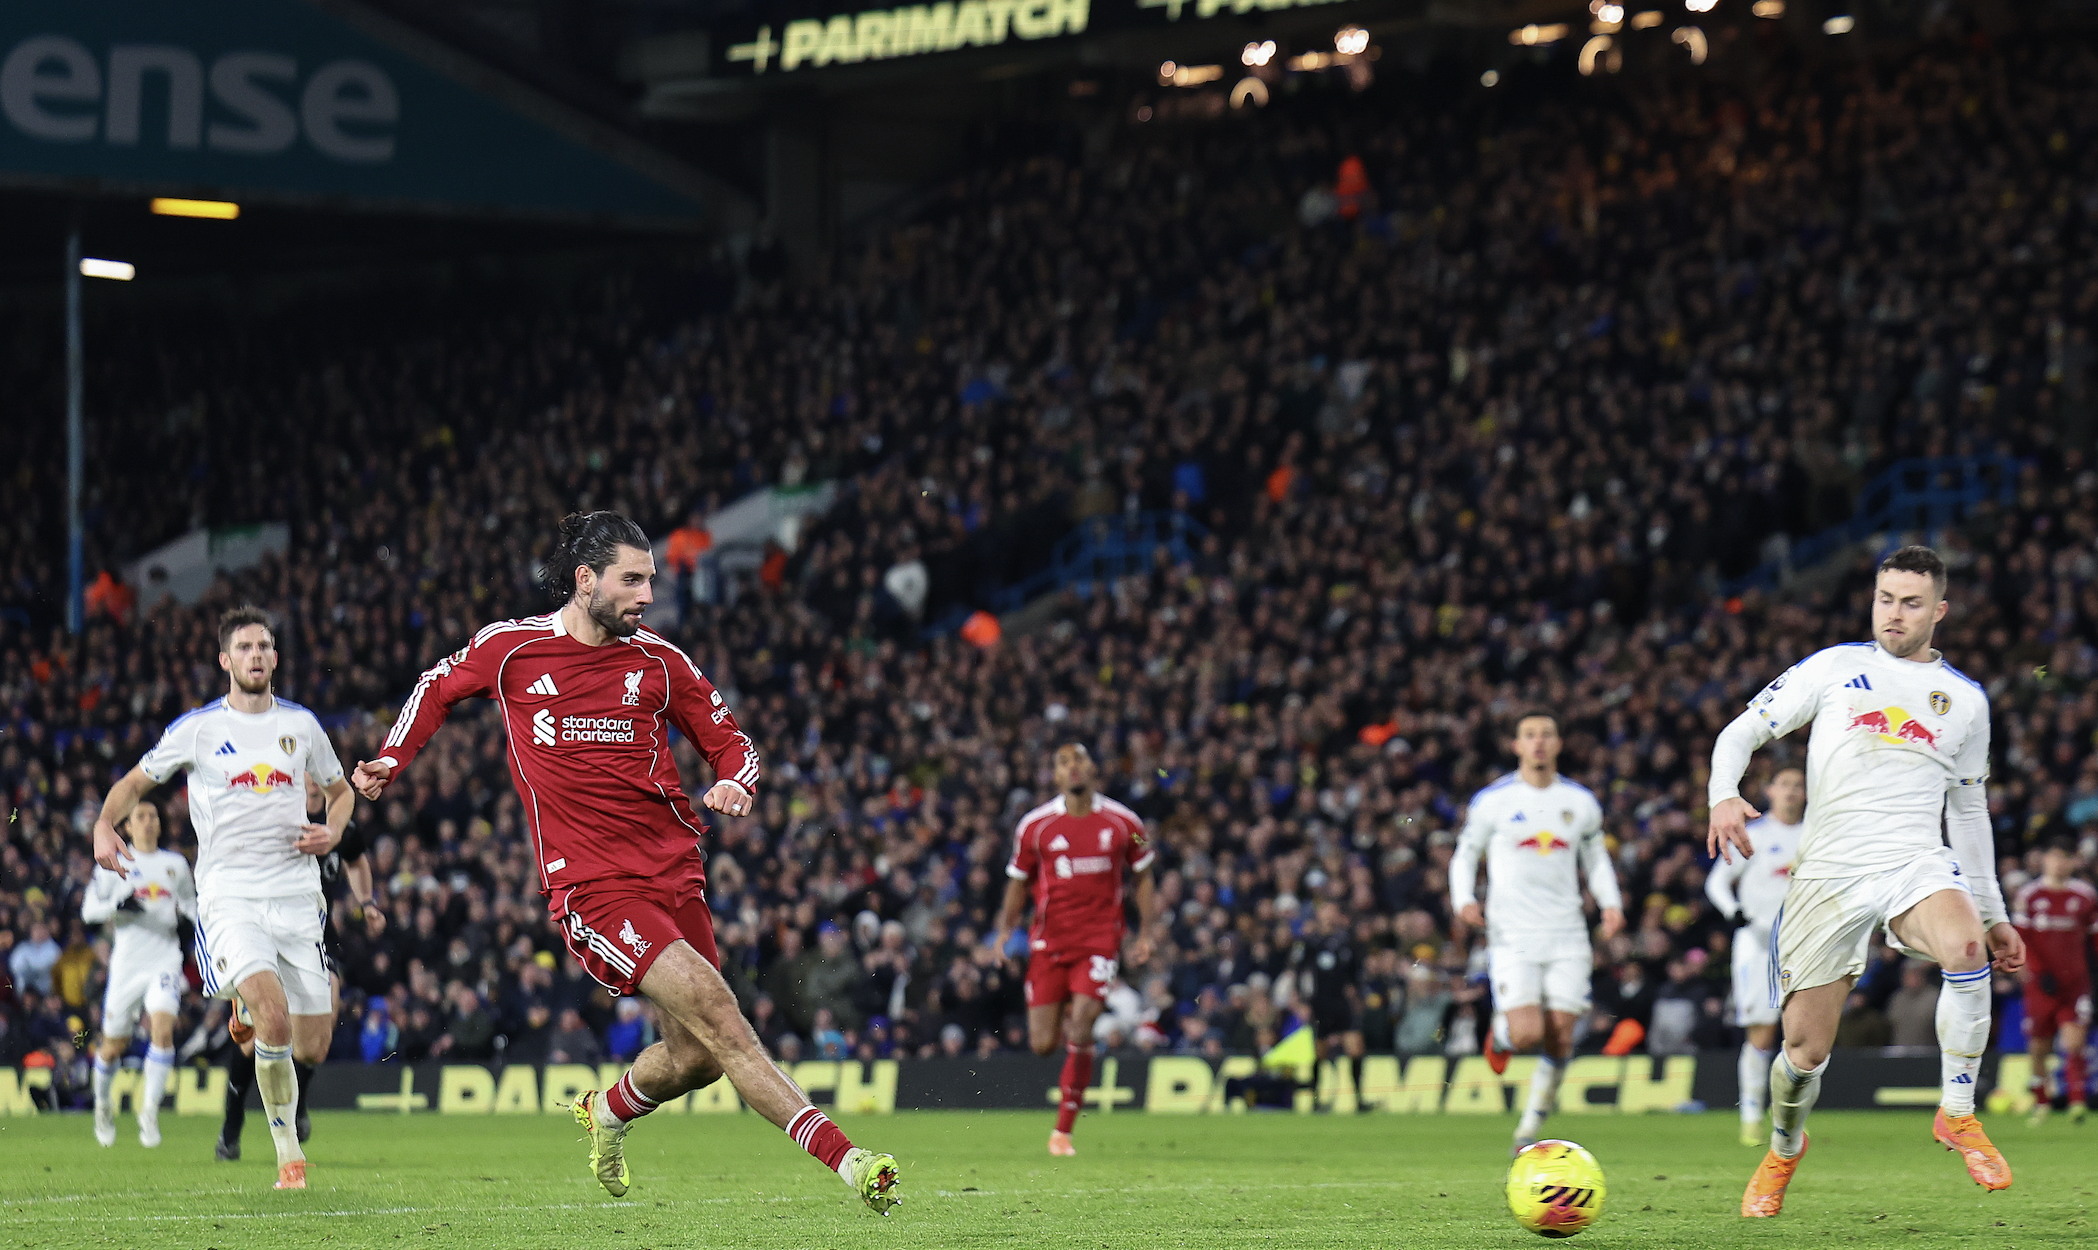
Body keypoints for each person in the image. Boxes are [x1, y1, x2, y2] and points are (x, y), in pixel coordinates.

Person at [350, 511, 899, 1214]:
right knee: (720, 1014)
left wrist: (737, 780)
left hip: (676, 873)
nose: (647, 595)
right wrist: (394, 756)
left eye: (651, 580)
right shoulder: (515, 649)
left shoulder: (661, 663)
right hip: (593, 886)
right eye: (631, 580)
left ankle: (608, 1109)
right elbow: (436, 686)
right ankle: (850, 1162)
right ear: (585, 580)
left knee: (699, 1054)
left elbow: (734, 743)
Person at [1709, 546, 2025, 1217]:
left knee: (1968, 952)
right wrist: (1722, 793)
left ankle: (1958, 1112)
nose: (1895, 613)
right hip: (1828, 873)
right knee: (1803, 1048)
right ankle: (1784, 1148)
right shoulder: (1834, 668)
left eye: (1911, 602)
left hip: (1914, 860)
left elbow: (1968, 812)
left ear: (1938, 611)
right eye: (1886, 598)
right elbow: (1741, 732)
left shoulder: (1966, 702)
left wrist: (1993, 911)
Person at [90, 605, 355, 1191]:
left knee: (313, 1044)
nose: (256, 655)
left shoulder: (303, 726)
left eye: (264, 645)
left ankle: (244, 1004)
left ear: (275, 657)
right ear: (225, 660)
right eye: (245, 648)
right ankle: (289, 1157)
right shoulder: (200, 729)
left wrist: (333, 830)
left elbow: (340, 793)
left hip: (295, 892)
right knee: (275, 1018)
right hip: (230, 893)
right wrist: (103, 825)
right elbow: (136, 782)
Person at [1450, 709, 1624, 1154]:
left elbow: (1596, 859)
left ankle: (1528, 1129)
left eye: (1547, 734)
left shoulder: (1580, 801)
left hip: (1567, 932)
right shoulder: (1493, 800)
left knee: (1561, 1034)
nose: (1539, 742)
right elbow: (1466, 853)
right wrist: (1463, 898)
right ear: (1516, 746)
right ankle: (1502, 1035)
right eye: (1530, 735)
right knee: (1528, 1034)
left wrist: (1610, 903)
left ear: (1559, 743)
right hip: (1513, 934)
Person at [992, 742, 1157, 1156]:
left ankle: (1062, 1131)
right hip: (1050, 942)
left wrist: (1147, 932)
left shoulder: (1126, 823)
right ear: (1056, 776)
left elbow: (1144, 875)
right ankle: (1068, 1006)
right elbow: (1017, 882)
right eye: (1063, 762)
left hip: (1100, 940)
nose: (1073, 768)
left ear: (1092, 768)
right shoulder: (1035, 826)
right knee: (1043, 1044)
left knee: (1082, 1024)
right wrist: (1002, 934)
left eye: (1079, 759)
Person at [79, 799, 196, 1147]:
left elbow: (192, 906)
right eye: (140, 817)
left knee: (162, 1030)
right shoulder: (115, 863)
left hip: (165, 959)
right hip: (128, 964)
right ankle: (102, 1104)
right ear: (127, 827)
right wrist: (118, 905)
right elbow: (88, 911)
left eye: (153, 815)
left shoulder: (175, 865)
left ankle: (149, 1112)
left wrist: (195, 922)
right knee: (112, 1045)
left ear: (160, 824)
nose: (147, 821)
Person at [1704, 764, 1804, 1145]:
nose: (1792, 792)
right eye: (1785, 784)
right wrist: (1737, 915)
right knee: (1761, 1033)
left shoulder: (1817, 837)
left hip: (1804, 942)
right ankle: (1750, 1114)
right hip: (1758, 944)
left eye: (1798, 785)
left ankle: (1789, 1116)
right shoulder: (1756, 836)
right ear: (1770, 790)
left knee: (1801, 1033)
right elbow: (1717, 882)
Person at [2010, 838, 2095, 1123]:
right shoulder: (2030, 895)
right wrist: (2036, 971)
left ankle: (2077, 1103)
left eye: (2065, 858)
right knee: (2039, 1047)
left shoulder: (2085, 896)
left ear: (2073, 861)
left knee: (2073, 1044)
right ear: (2044, 860)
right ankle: (2042, 1102)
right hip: (2040, 984)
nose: (2059, 864)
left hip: (2075, 983)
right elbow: (2022, 939)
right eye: (2054, 858)